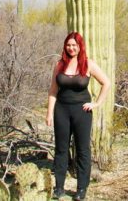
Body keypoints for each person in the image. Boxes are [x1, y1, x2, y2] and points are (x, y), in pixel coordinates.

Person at [46, 31, 109, 201]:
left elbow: (106, 82)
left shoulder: (88, 64)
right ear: (65, 47)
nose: (71, 48)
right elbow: (53, 91)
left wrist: (96, 103)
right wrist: (49, 113)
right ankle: (59, 188)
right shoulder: (59, 65)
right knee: (61, 149)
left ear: (80, 47)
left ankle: (81, 189)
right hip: (62, 110)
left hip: (82, 112)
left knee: (83, 150)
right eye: (68, 45)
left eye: (74, 45)